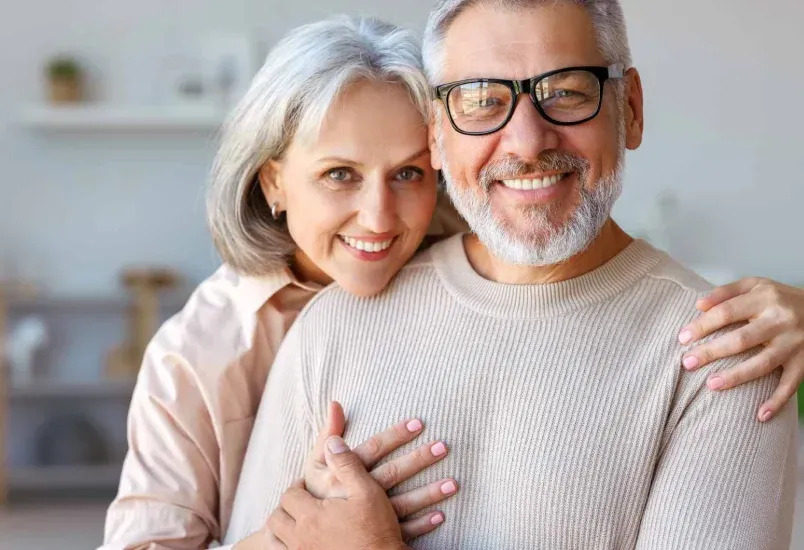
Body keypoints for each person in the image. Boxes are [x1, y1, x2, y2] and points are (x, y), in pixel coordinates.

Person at [102, 12, 804, 550]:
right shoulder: (310, 327)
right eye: (481, 99)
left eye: (566, 91)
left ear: (631, 108)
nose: (527, 141)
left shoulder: (725, 350)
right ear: (445, 131)